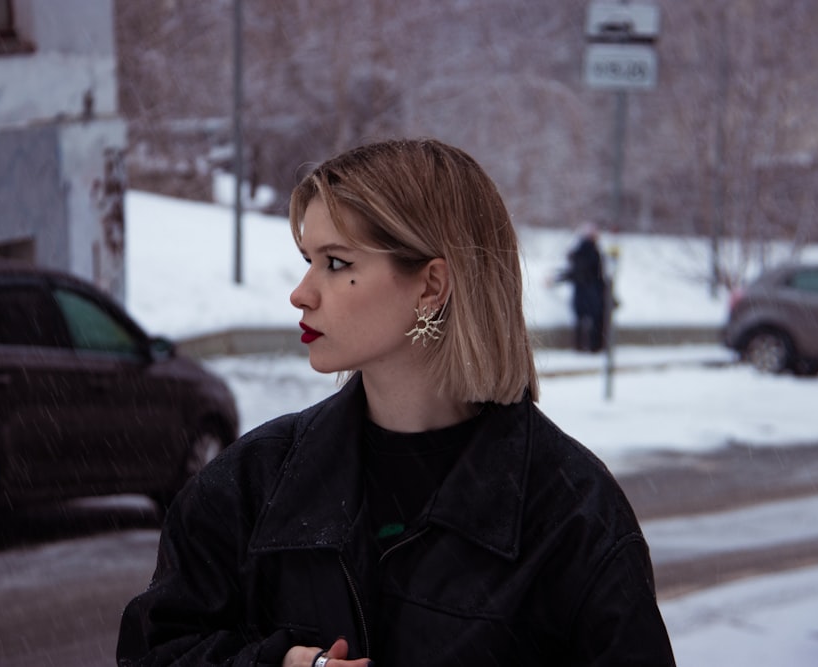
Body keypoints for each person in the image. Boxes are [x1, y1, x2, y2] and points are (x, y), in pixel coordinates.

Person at [116, 139, 674, 666]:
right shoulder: (249, 486)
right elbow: (155, 649)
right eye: (308, 259)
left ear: (431, 286)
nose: (301, 292)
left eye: (336, 263)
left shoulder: (574, 514)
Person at [557, 224, 607, 352]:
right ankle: (594, 346)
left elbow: (574, 272)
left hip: (582, 292)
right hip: (591, 292)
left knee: (582, 320)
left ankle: (580, 346)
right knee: (595, 321)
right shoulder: (593, 252)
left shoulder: (579, 252)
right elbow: (597, 274)